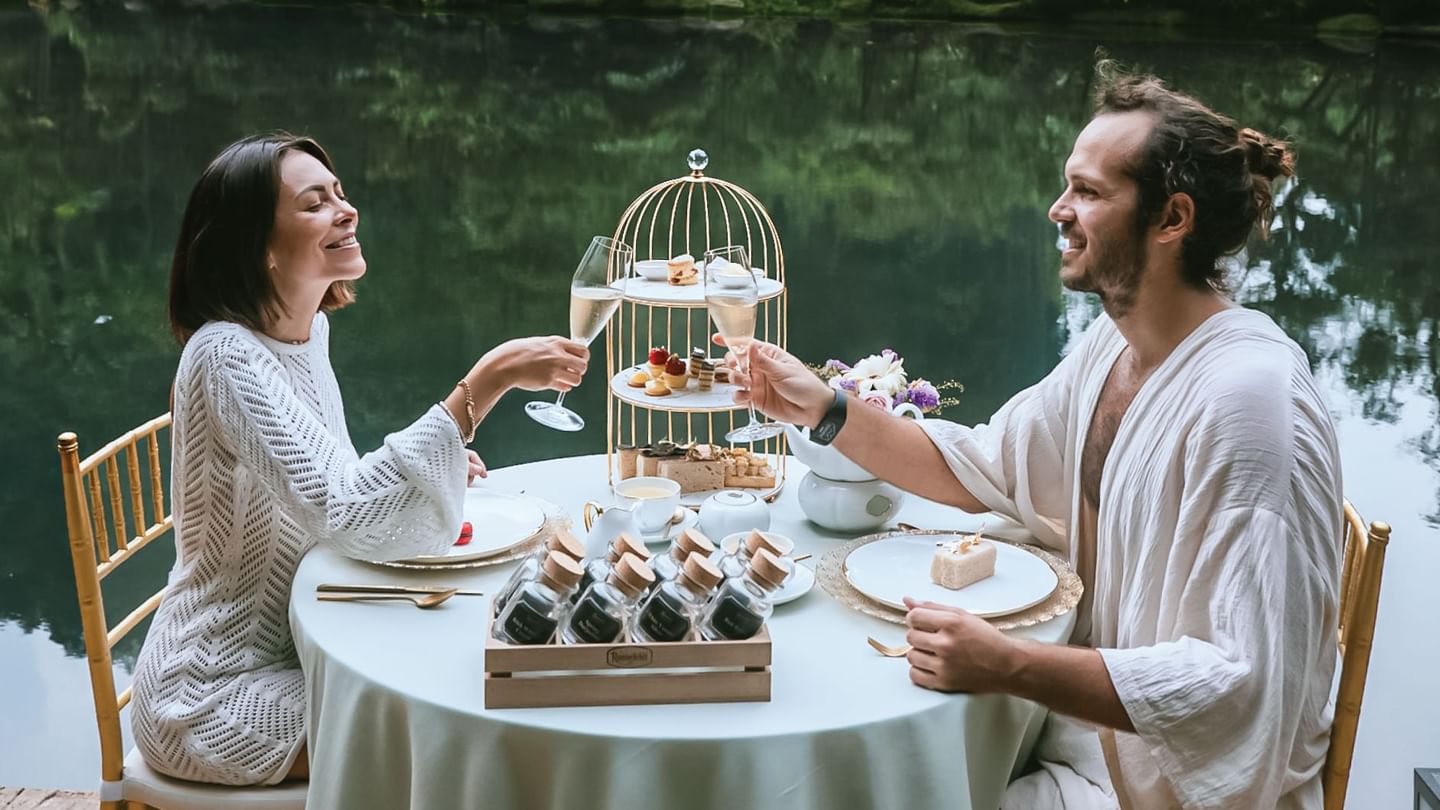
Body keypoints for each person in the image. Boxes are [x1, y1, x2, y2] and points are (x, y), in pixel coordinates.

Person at [724, 62, 1341, 808]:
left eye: (1087, 191)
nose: (1057, 209)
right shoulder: (1115, 353)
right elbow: (981, 466)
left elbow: (1241, 684)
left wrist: (1010, 665)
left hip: (1157, 790)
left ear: (1172, 219)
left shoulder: (1251, 404)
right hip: (1078, 739)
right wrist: (823, 408)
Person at [130, 133, 589, 786]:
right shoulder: (225, 355)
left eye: (339, 194)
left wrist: (436, 468)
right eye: (314, 203)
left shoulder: (306, 332)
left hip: (301, 650)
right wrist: (486, 381)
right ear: (258, 245)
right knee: (454, 730)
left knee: (471, 682)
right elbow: (347, 514)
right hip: (211, 694)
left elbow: (337, 489)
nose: (346, 211)